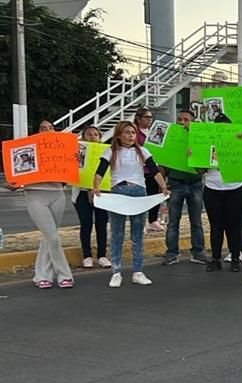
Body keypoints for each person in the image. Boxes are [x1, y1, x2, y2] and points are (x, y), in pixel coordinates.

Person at [94, 119, 170, 287]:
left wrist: (163, 186)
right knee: (117, 233)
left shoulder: (142, 151)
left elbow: (154, 171)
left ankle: (138, 271)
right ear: (119, 135)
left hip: (138, 192)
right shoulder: (110, 152)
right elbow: (100, 171)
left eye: (133, 133)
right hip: (118, 192)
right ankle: (116, 272)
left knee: (137, 234)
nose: (130, 136)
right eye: (127, 132)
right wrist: (96, 187)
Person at [4, 120, 75, 289]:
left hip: (57, 194)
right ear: (37, 131)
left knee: (48, 237)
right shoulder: (28, 149)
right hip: (35, 195)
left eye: (50, 128)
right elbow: (16, 175)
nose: (47, 130)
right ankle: (64, 274)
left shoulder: (61, 148)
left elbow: (71, 173)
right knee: (53, 237)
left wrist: (74, 161)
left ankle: (42, 276)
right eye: (43, 128)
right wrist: (13, 183)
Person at [201, 114, 242, 273]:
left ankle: (235, 257)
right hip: (212, 188)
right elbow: (199, 170)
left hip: (235, 188)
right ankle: (215, 259)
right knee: (215, 226)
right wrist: (192, 157)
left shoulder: (239, 143)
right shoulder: (206, 144)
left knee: (234, 226)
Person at [162, 110, 208, 267]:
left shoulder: (199, 139)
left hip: (195, 183)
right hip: (175, 183)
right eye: (180, 119)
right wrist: (162, 184)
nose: (182, 122)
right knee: (173, 222)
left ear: (192, 122)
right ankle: (171, 253)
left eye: (186, 119)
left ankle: (198, 252)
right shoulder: (171, 138)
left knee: (196, 221)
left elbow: (205, 166)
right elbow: (162, 162)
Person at [73, 125, 111, 270]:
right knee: (86, 224)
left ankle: (102, 255)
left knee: (101, 224)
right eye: (89, 134)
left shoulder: (106, 153)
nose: (93, 137)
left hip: (101, 193)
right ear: (83, 137)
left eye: (96, 134)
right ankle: (87, 255)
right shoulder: (78, 153)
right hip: (82, 193)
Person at [133, 107, 164, 232]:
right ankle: (142, 221)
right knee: (142, 196)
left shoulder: (154, 131)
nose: (149, 120)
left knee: (154, 194)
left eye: (151, 118)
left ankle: (153, 219)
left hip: (154, 167)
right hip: (141, 168)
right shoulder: (134, 133)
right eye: (146, 118)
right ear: (138, 119)